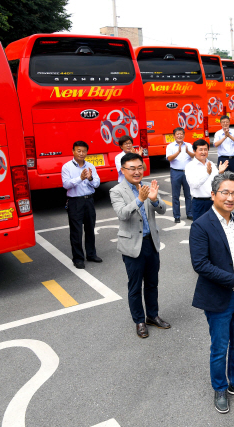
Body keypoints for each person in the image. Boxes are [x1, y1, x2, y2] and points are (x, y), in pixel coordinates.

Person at [189, 172, 234, 414]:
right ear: (213, 195)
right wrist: (233, 279)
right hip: (219, 296)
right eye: (225, 193)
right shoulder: (200, 225)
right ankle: (220, 388)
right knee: (220, 346)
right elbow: (200, 264)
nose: (230, 198)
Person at [110, 153, 171, 338]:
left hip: (151, 243)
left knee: (152, 283)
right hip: (132, 246)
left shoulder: (147, 187)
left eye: (139, 168)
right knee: (135, 286)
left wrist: (154, 199)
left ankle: (152, 315)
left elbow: (162, 210)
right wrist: (140, 200)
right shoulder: (116, 190)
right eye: (132, 168)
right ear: (123, 170)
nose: (137, 172)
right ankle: (139, 320)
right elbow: (122, 214)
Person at [61, 141, 101, 269]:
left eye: (84, 151)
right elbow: (66, 184)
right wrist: (81, 178)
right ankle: (78, 258)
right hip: (75, 202)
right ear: (73, 151)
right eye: (78, 150)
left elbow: (97, 183)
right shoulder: (67, 167)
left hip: (89, 200)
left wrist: (89, 178)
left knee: (90, 229)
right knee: (76, 231)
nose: (81, 153)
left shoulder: (90, 166)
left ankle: (91, 254)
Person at [185, 139, 228, 221]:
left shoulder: (211, 164)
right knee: (200, 230)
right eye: (200, 150)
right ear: (194, 151)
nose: (203, 152)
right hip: (199, 203)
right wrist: (207, 174)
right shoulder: (190, 166)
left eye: (205, 149)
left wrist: (220, 173)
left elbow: (217, 183)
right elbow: (194, 185)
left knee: (215, 228)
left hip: (213, 201)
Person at [165, 127, 194, 222]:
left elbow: (194, 156)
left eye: (181, 134)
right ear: (174, 136)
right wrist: (178, 152)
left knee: (188, 195)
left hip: (187, 172)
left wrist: (187, 151)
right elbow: (169, 158)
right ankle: (176, 216)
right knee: (175, 195)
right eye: (177, 134)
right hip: (175, 172)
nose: (179, 135)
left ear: (184, 135)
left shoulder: (188, 145)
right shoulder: (170, 146)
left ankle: (189, 214)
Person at [214, 115, 234, 205]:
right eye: (223, 122)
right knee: (222, 179)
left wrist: (229, 135)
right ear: (221, 124)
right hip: (222, 159)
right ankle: (222, 199)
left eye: (227, 122)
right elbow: (216, 144)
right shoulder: (218, 133)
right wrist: (224, 137)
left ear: (229, 123)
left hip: (233, 158)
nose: (225, 124)